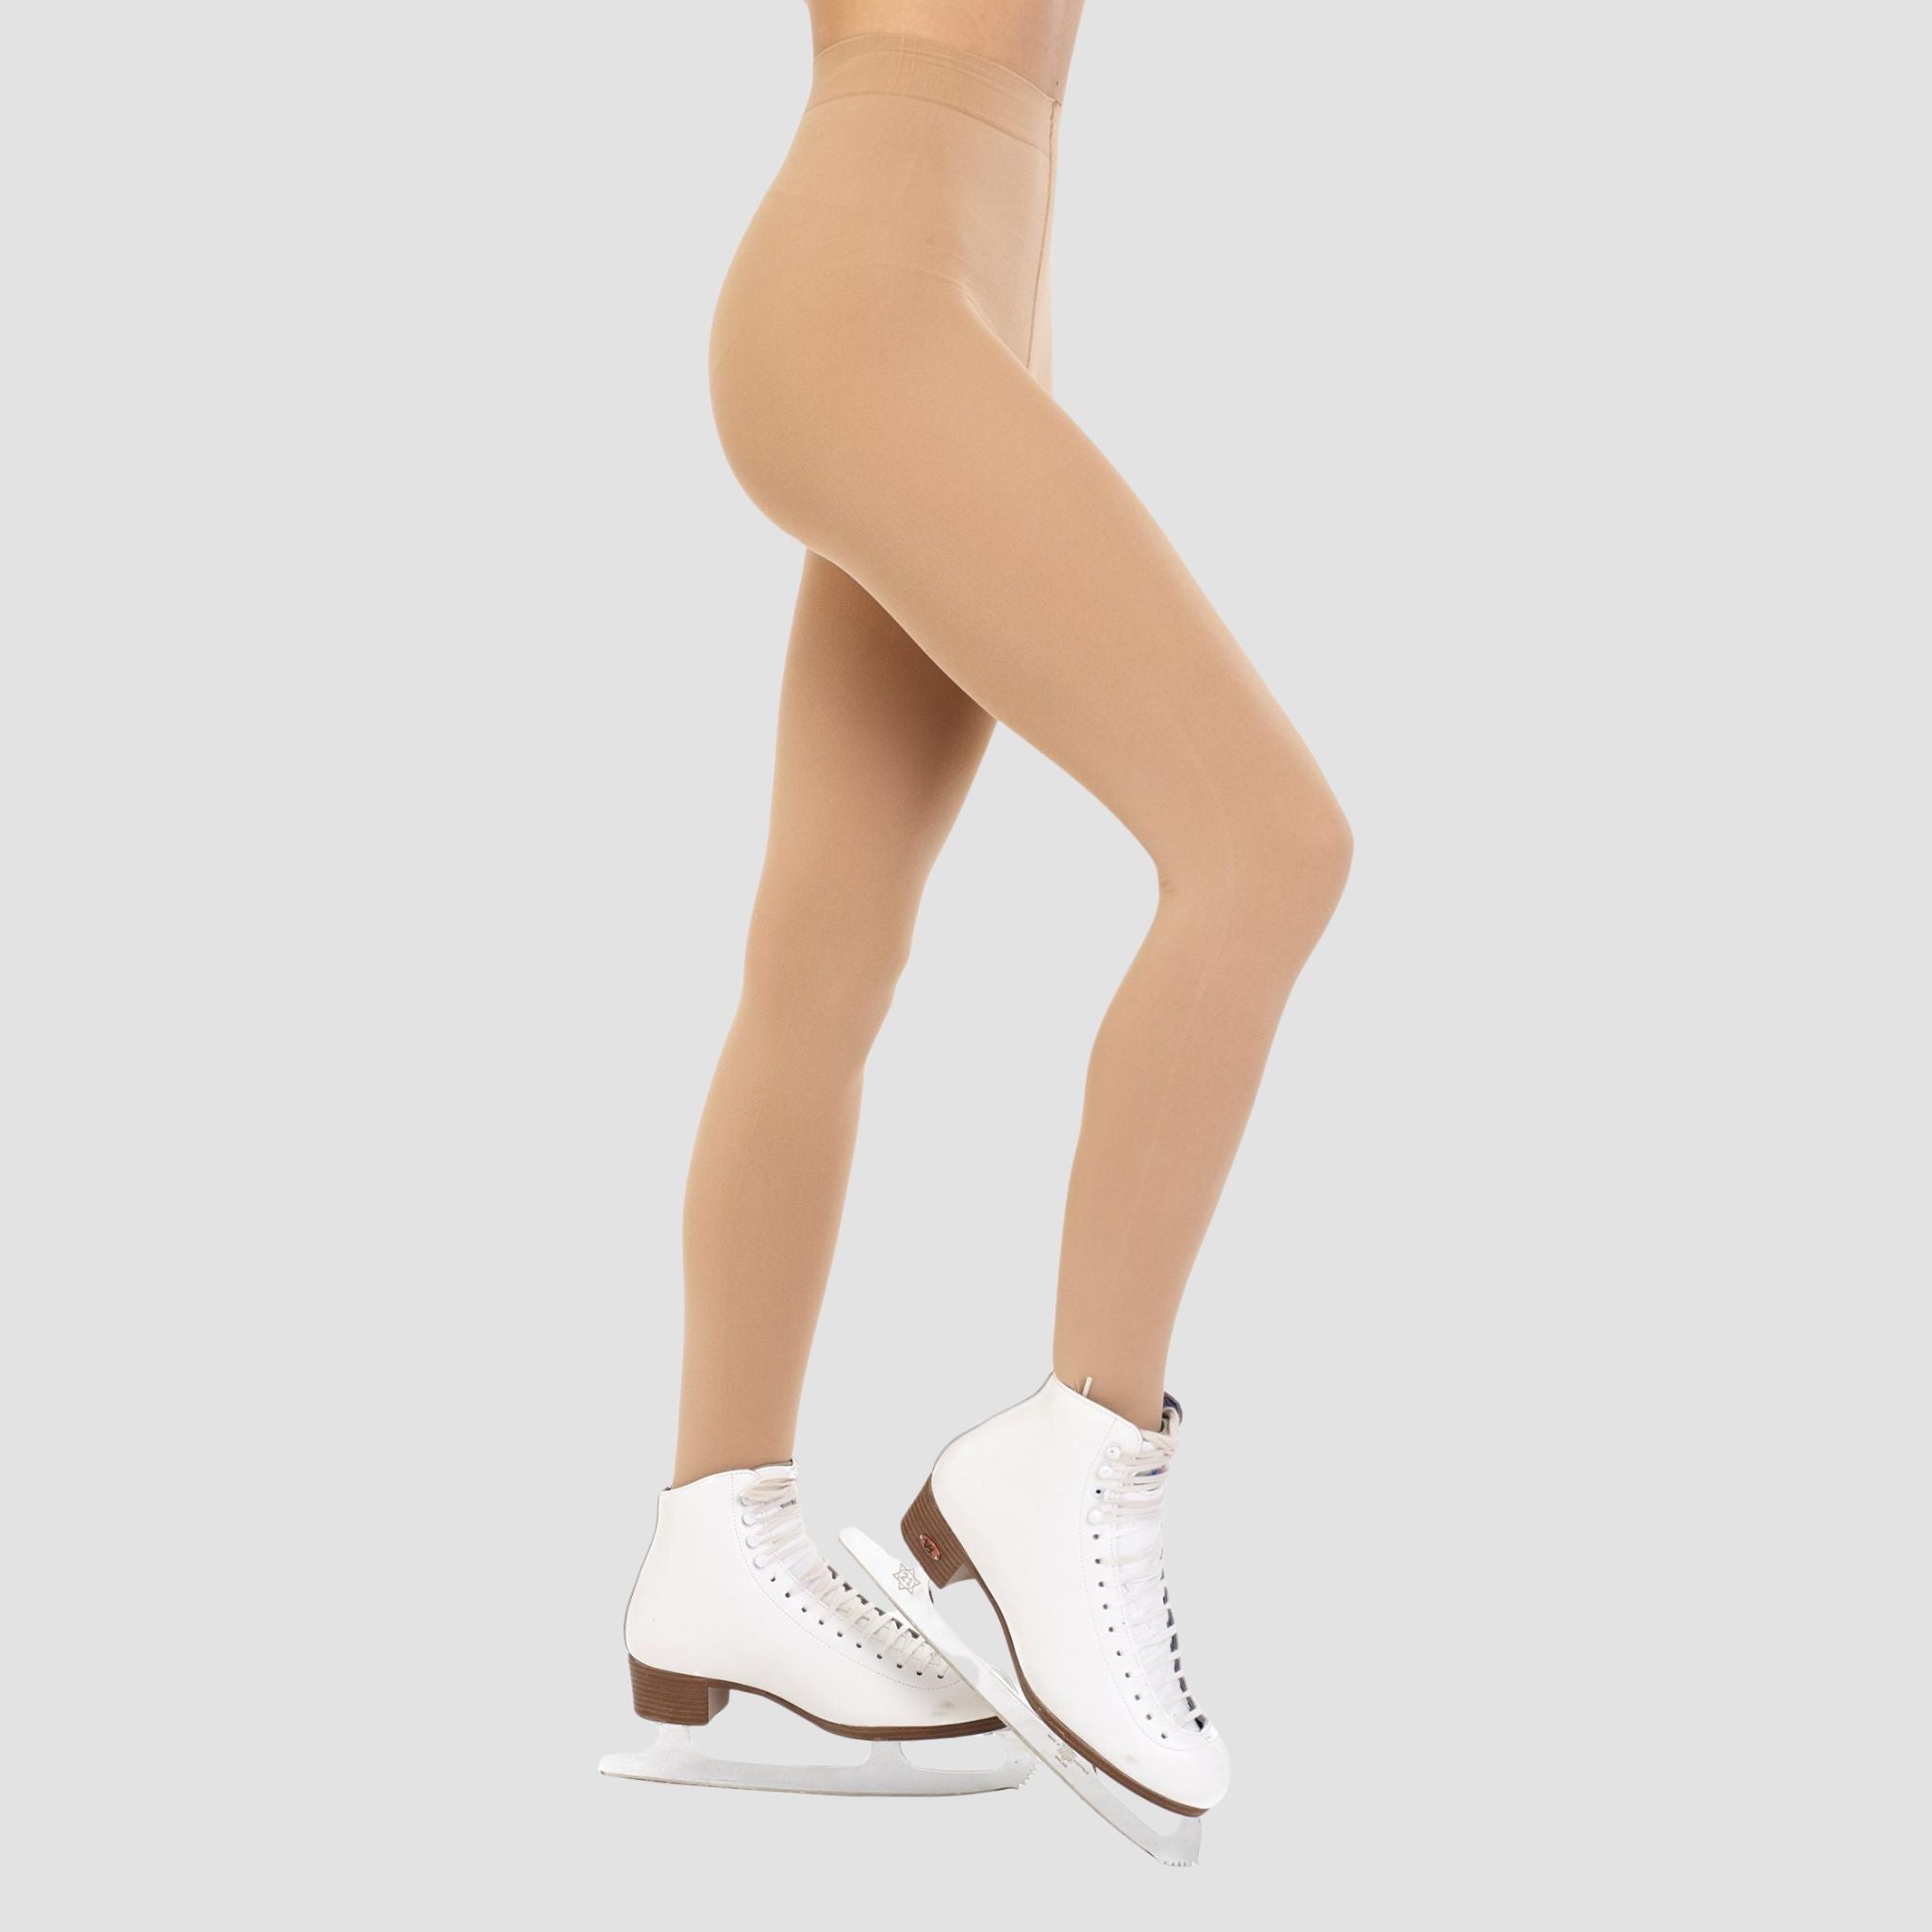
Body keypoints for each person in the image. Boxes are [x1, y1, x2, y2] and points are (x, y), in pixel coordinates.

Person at [606, 0, 1350, 1852]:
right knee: (1266, 847)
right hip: (873, 309)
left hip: (944, 297)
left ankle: (715, 1538)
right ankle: (1076, 1458)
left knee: (822, 959)